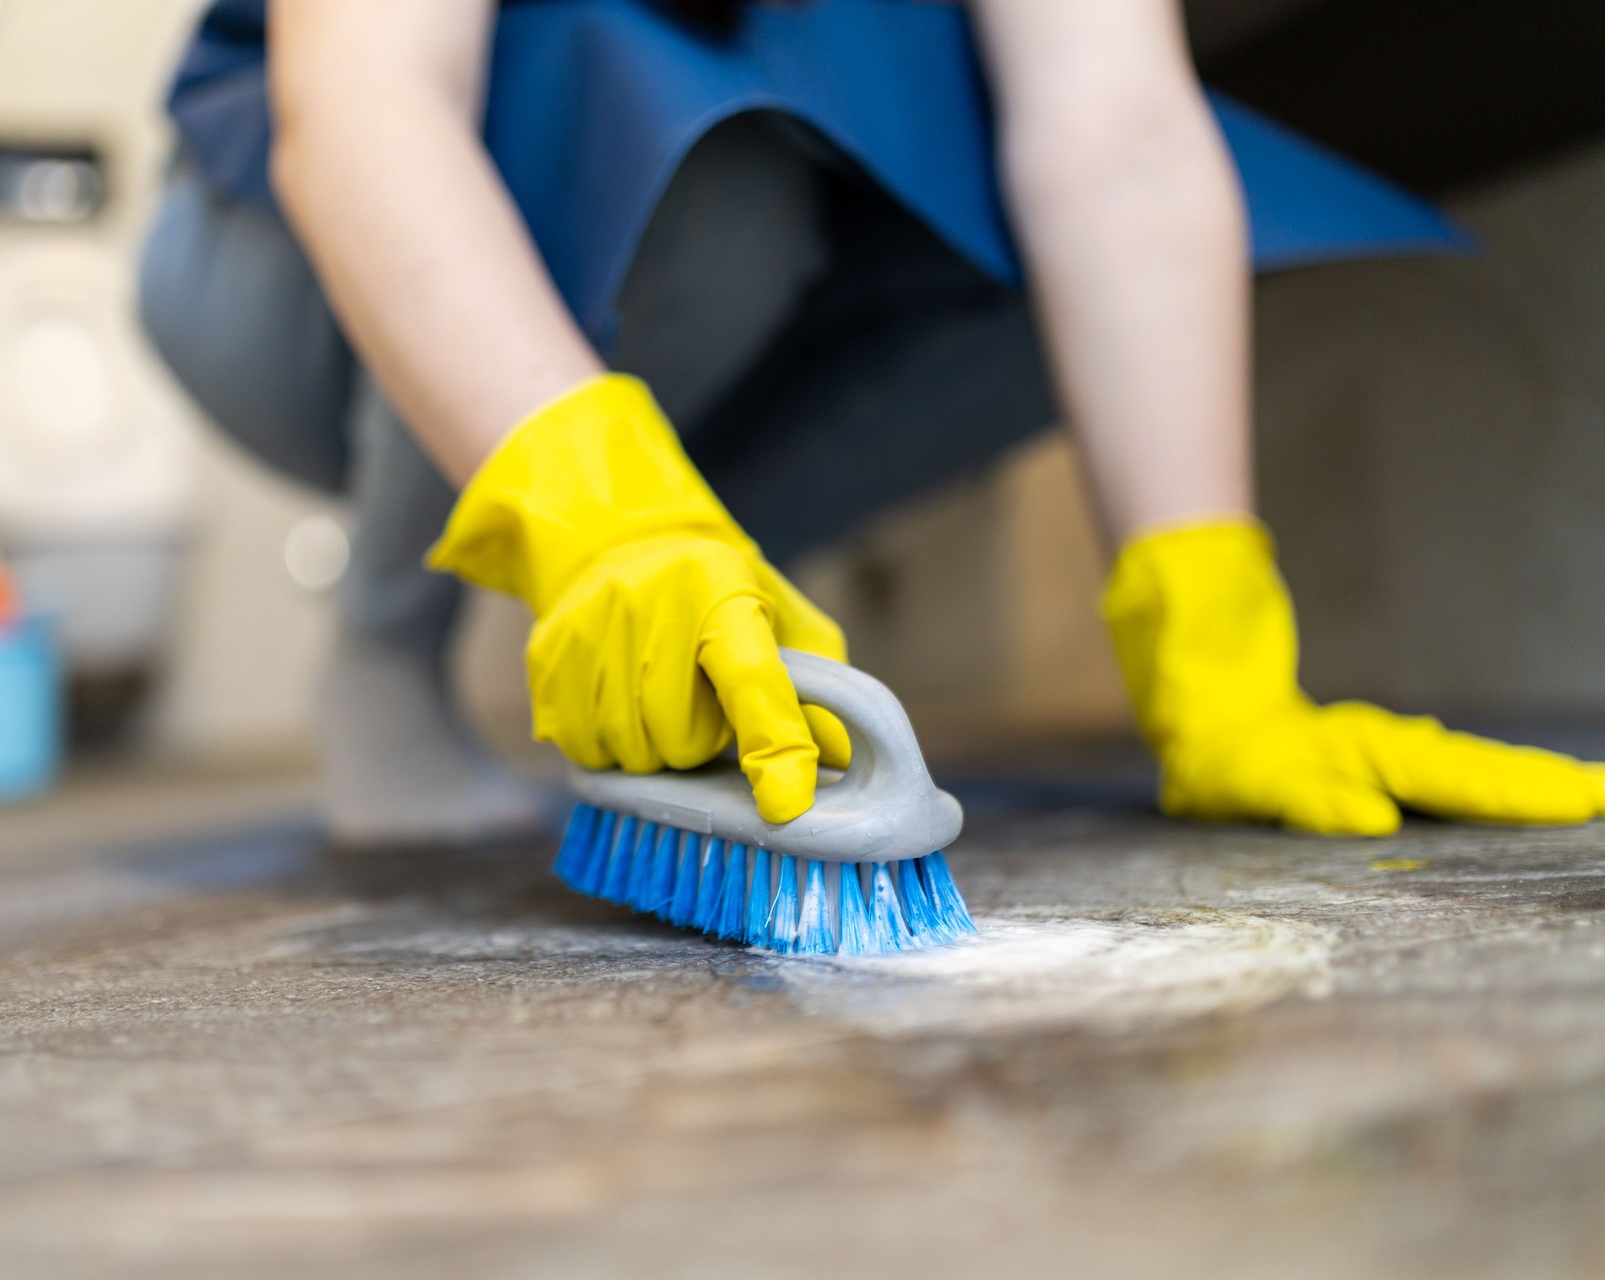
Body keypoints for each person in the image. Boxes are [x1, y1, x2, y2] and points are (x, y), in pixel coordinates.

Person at [142, 0, 1605, 846]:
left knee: (1082, 287)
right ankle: (391, 651)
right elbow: (365, 105)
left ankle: (696, 603)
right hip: (281, 267)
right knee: (684, 151)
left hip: (725, 221)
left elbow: (1120, 143)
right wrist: (598, 515)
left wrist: (1212, 644)